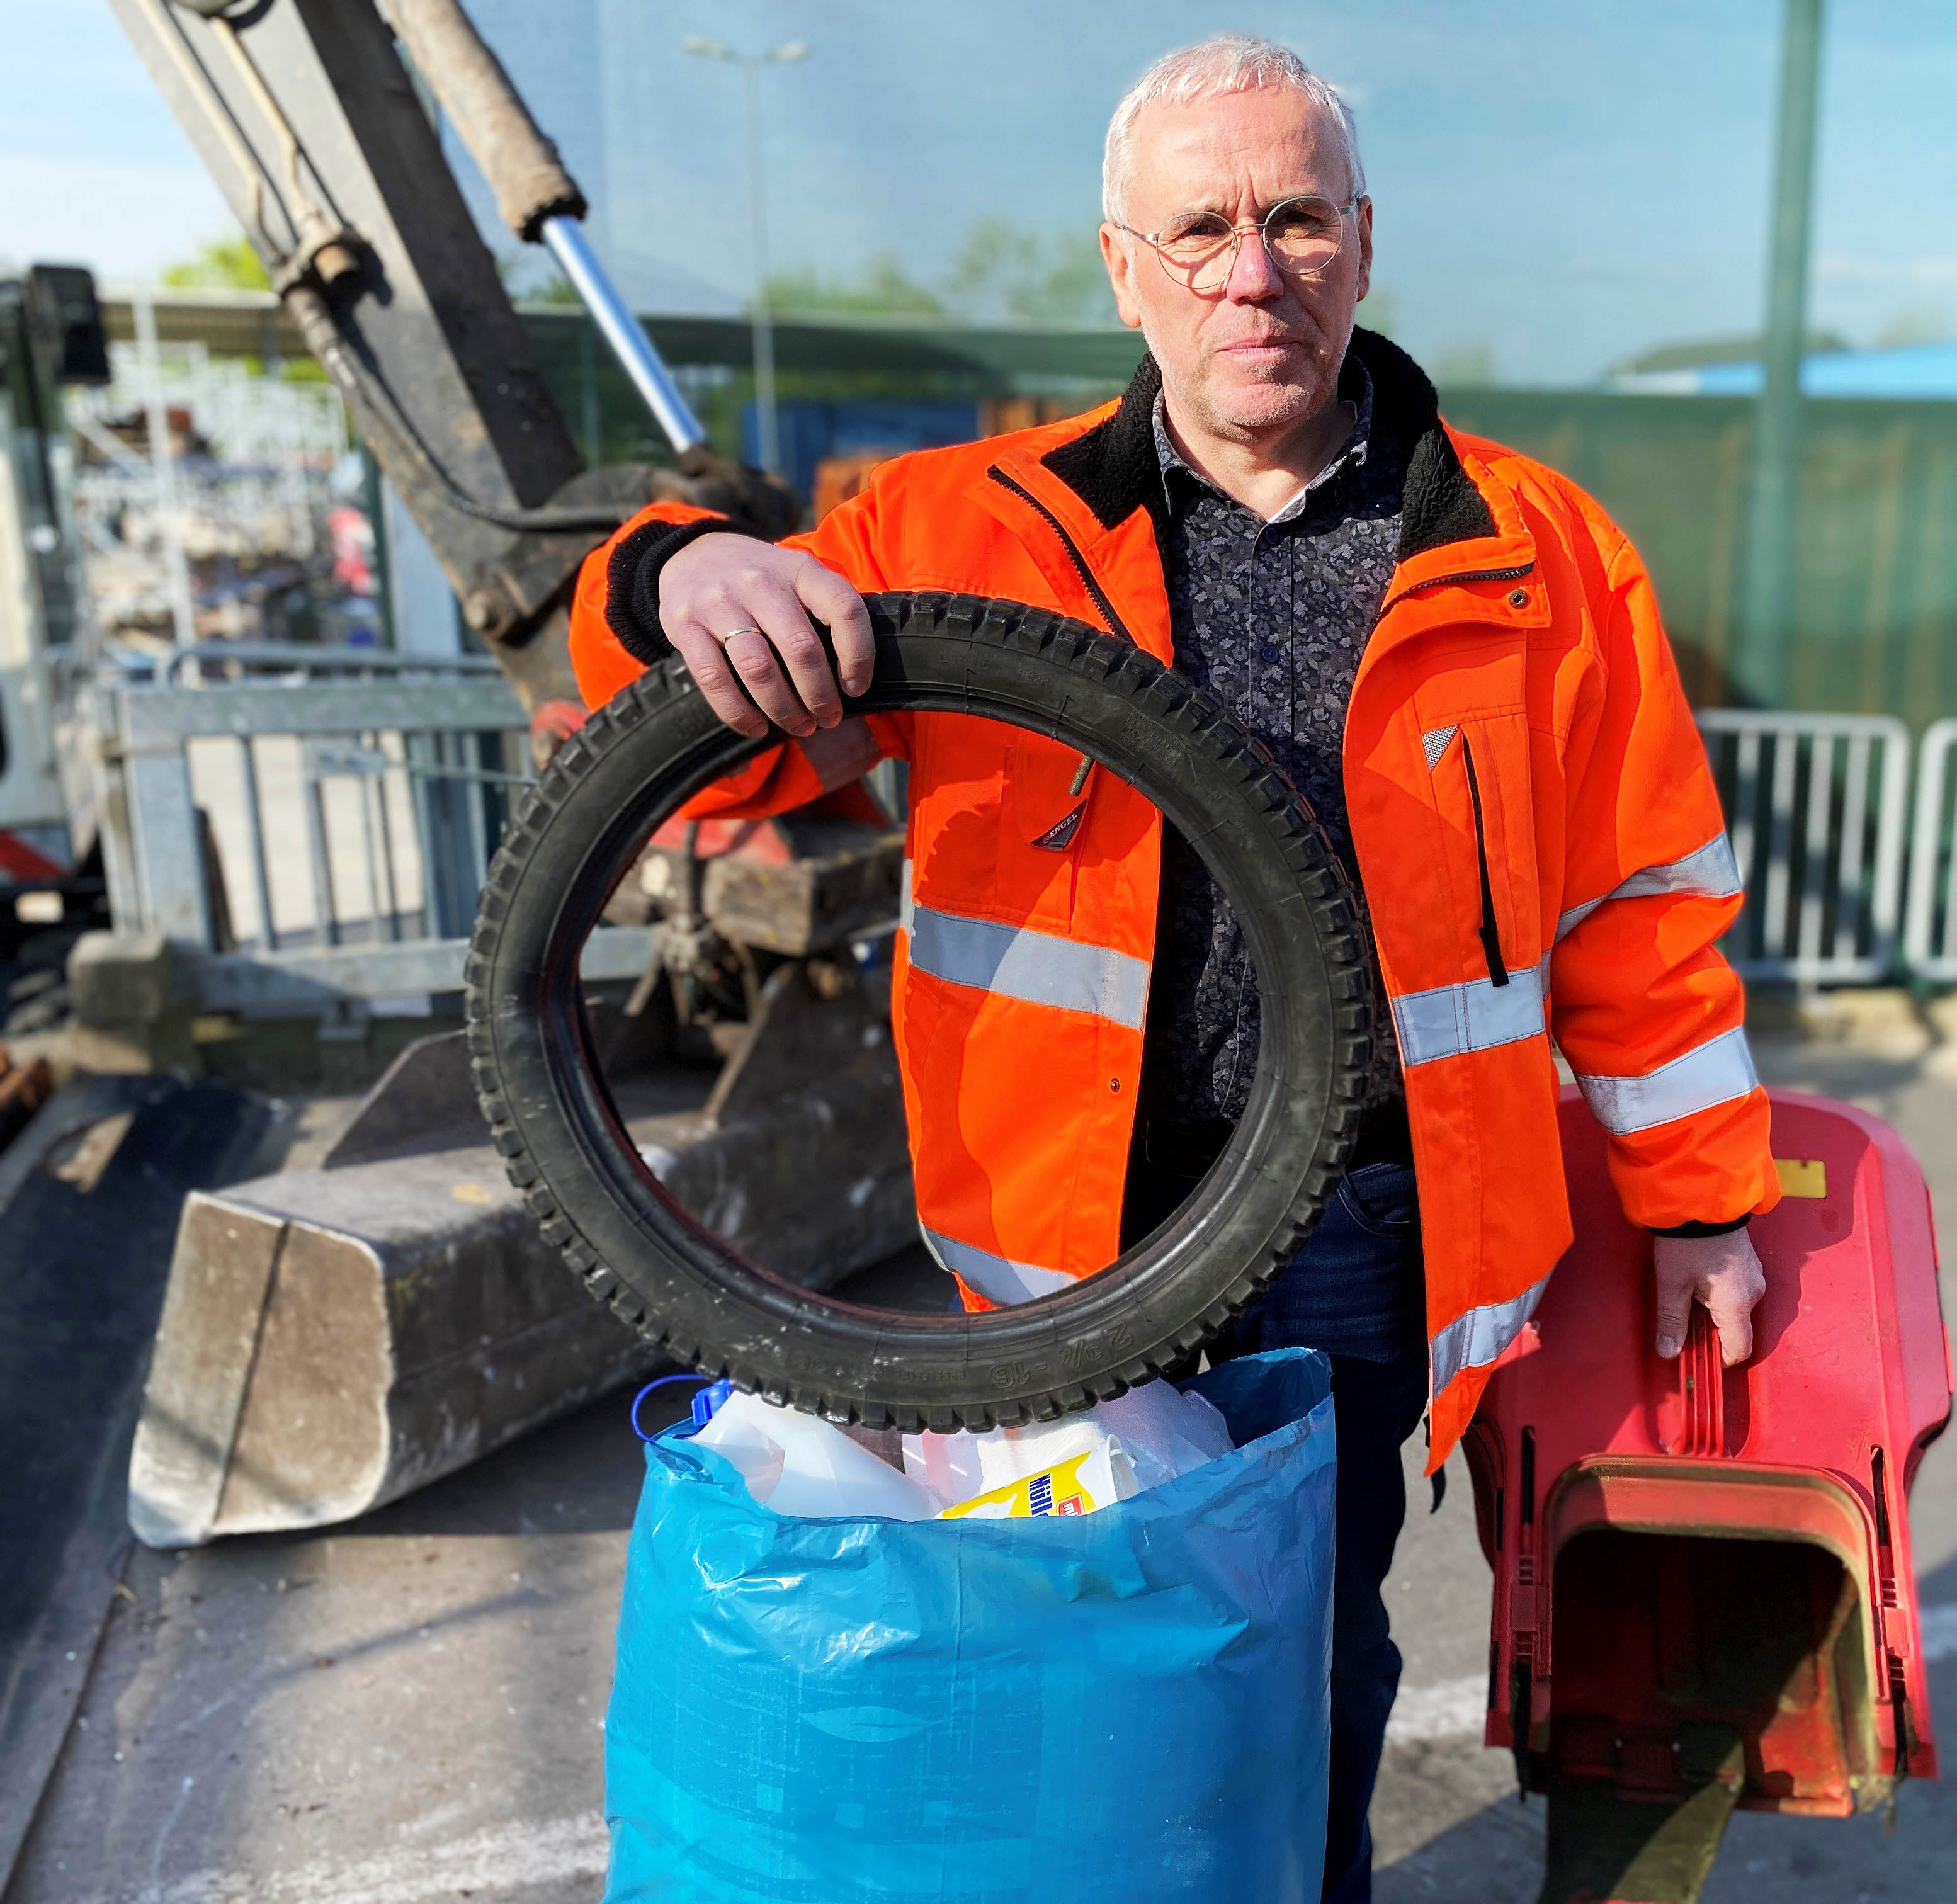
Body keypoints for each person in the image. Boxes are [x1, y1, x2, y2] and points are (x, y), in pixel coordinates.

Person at [567, 34, 1778, 1901]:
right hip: (1067, 1231)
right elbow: (713, 749)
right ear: (1123, 266)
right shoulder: (964, 532)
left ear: (1363, 244)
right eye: (1201, 225)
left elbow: (1644, 908)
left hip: (1365, 1226)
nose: (1253, 269)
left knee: (1306, 1651)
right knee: (1051, 1636)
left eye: (1296, 216)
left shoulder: (1540, 556)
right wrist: (681, 576)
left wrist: (1702, 1199)